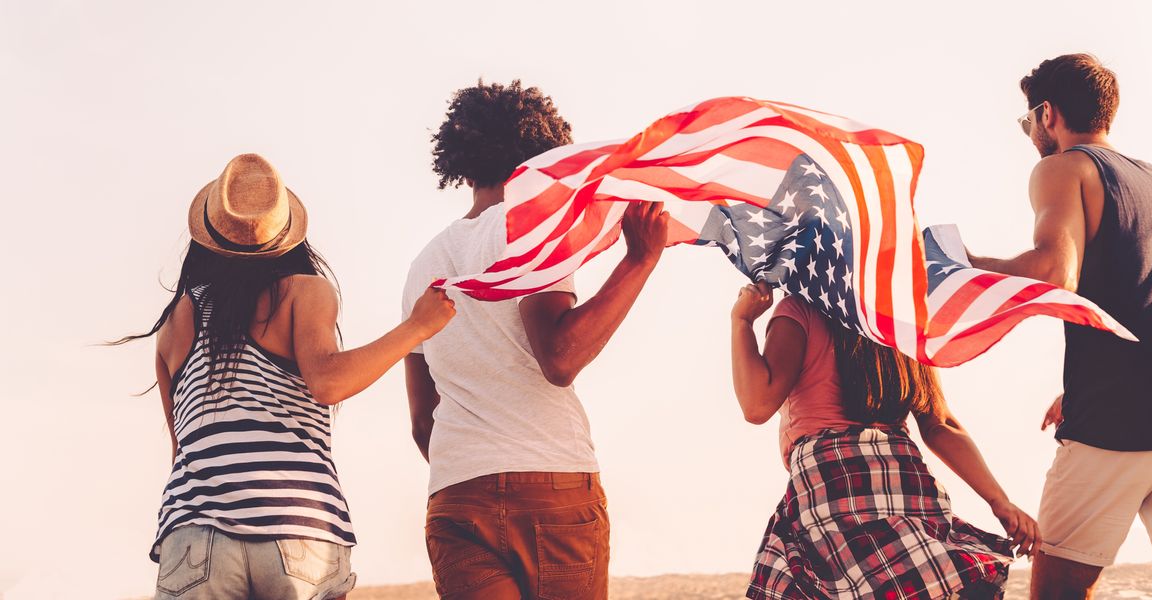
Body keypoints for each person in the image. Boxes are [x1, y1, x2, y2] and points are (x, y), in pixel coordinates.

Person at [117, 154, 456, 600]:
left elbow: (183, 450)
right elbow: (327, 382)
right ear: (285, 235)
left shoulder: (173, 324)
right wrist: (417, 328)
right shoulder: (304, 291)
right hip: (296, 528)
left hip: (195, 533)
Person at [402, 80, 669, 599]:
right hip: (550, 487)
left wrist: (476, 468)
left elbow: (421, 421)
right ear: (544, 155)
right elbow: (560, 359)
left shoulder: (423, 265)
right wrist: (640, 261)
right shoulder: (532, 231)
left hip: (458, 496)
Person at [966, 53, 1152, 599]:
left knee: (1058, 589)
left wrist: (964, 265)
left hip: (1119, 419)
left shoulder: (1064, 168)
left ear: (1048, 114)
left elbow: (1054, 272)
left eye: (1028, 122)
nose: (1030, 134)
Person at [731, 282, 1036, 599]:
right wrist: (998, 500)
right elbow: (939, 424)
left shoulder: (800, 309)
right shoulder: (901, 320)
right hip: (904, 478)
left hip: (831, 479)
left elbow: (757, 405)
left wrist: (742, 322)